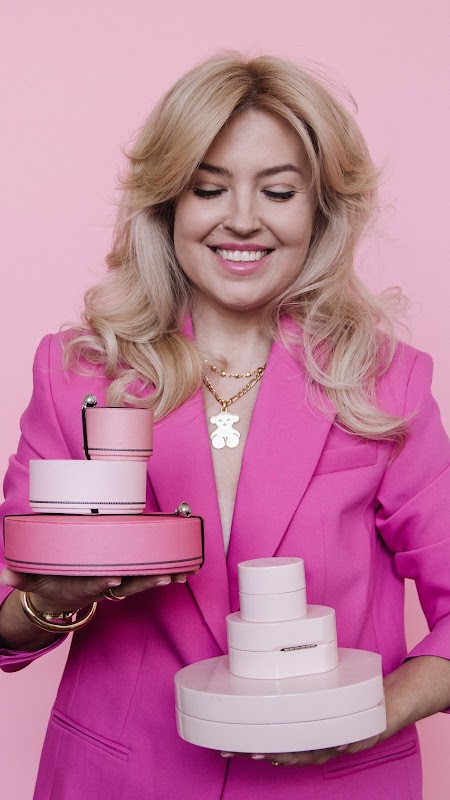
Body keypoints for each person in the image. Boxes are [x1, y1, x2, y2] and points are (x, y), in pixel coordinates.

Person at [0, 53, 449, 800]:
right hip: (119, 780)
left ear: (321, 211)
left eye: (278, 191)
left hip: (333, 785)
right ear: (168, 204)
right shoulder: (76, 374)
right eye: (208, 188)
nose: (242, 218)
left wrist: (370, 713)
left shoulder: (386, 382)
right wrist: (52, 598)